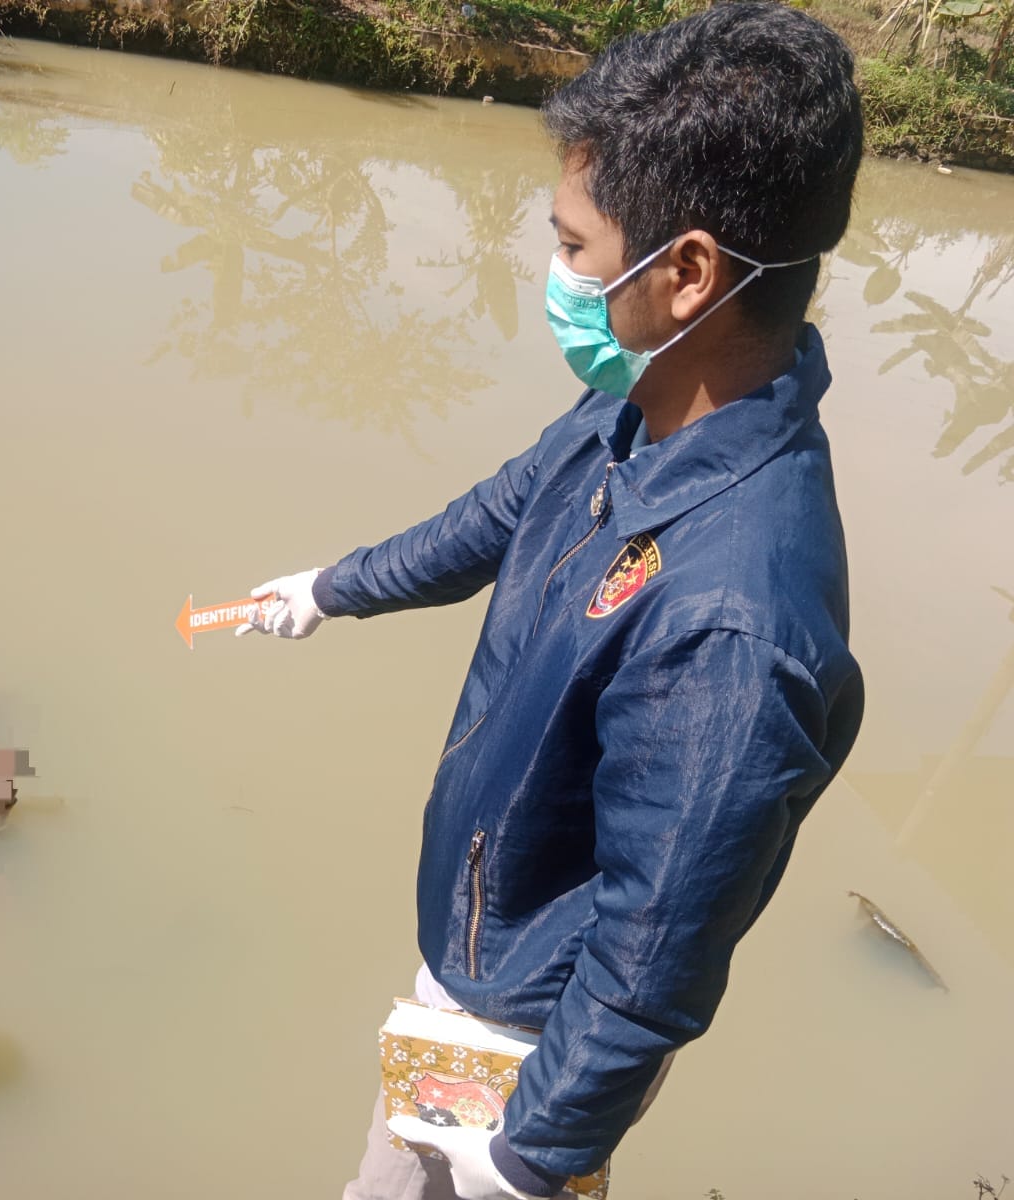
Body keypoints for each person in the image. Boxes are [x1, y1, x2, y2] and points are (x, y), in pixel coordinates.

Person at [237, 5, 867, 1197]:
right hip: (483, 951)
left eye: (576, 247)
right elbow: (496, 513)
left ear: (684, 273)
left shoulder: (734, 624)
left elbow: (653, 949)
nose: (559, 274)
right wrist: (330, 588)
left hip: (529, 1038)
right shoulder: (653, 406)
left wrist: (534, 1156)